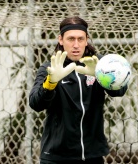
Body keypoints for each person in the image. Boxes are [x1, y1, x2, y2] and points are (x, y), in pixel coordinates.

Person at [29, 16, 128, 164]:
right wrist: (50, 83)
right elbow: (35, 103)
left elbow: (120, 91)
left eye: (80, 39)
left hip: (92, 155)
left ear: (86, 39)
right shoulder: (50, 67)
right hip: (57, 156)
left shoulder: (99, 64)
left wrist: (101, 76)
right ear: (61, 40)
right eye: (71, 39)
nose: (76, 45)